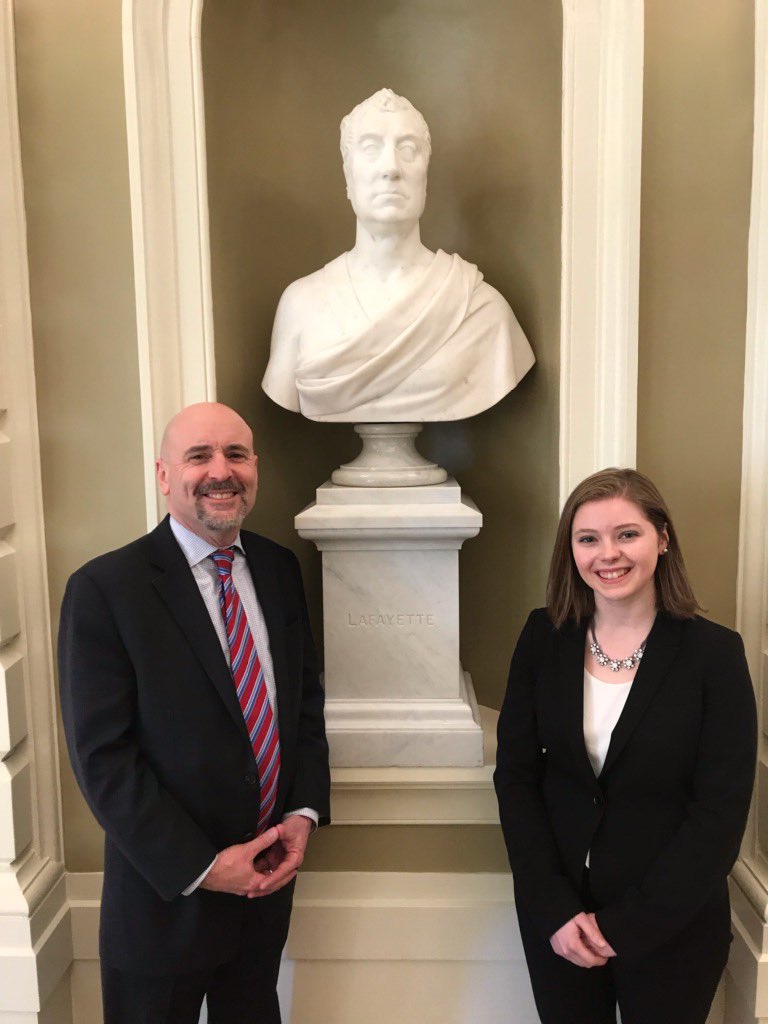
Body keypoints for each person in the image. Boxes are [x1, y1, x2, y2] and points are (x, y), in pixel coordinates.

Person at [58, 402, 330, 1024]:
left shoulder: (279, 569)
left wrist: (303, 813)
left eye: (236, 454)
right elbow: (103, 759)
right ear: (163, 475)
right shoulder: (105, 590)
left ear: (255, 467)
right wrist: (203, 868)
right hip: (164, 898)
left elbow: (303, 705)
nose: (220, 471)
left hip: (265, 887)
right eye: (198, 455)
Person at [494, 468, 756, 1024]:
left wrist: (626, 926)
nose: (606, 554)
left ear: (662, 538)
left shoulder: (715, 655)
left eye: (626, 534)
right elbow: (516, 778)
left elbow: (720, 811)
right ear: (572, 550)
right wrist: (555, 909)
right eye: (588, 538)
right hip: (559, 921)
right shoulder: (543, 637)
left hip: (673, 925)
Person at [262, 88, 535, 422]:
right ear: (348, 176)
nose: (391, 169)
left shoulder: (482, 309)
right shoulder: (301, 304)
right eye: (371, 149)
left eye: (408, 150)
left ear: (425, 175)